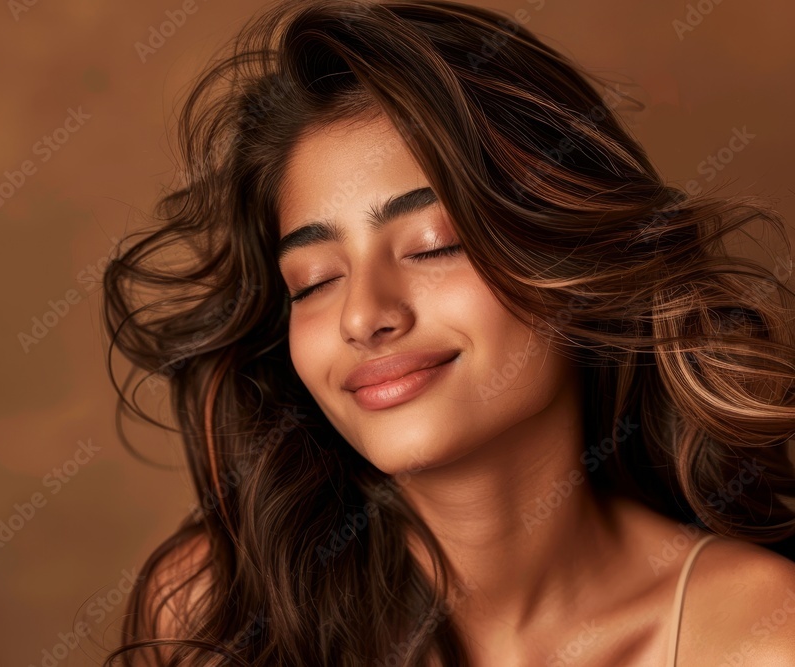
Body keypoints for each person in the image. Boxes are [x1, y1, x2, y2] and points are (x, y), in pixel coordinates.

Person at [99, 0, 795, 664]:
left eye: (433, 244)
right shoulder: (211, 611)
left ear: (575, 257)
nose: (363, 315)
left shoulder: (763, 635)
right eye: (313, 280)